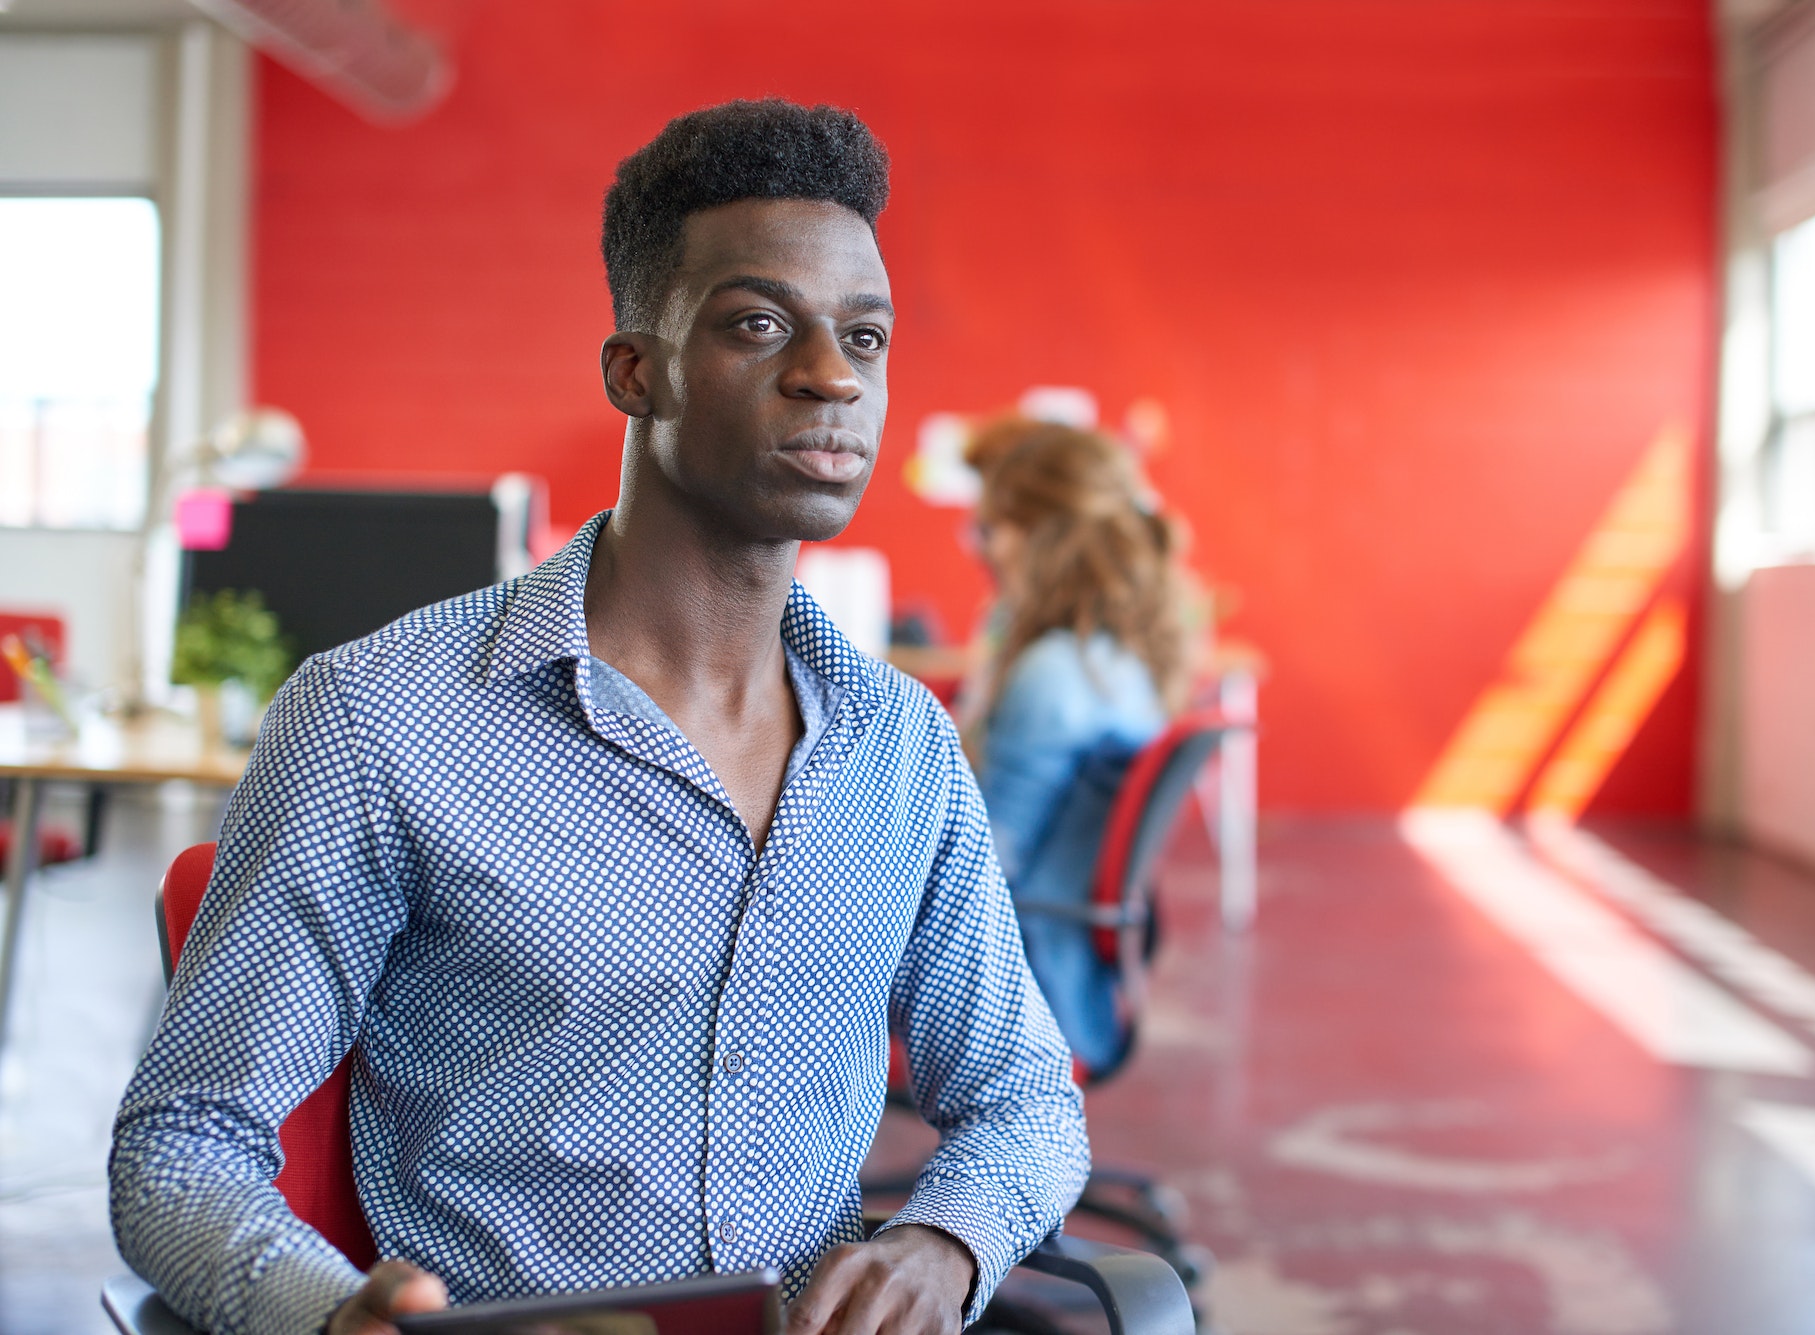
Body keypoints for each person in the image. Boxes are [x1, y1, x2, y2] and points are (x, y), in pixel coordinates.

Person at [109, 100, 1087, 1335]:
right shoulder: (380, 723)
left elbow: (1024, 1099)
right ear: (636, 369)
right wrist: (334, 1316)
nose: (831, 375)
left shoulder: (899, 746)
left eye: (865, 336)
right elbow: (182, 1149)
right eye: (757, 323)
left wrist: (944, 1241)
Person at [961, 421, 1187, 1076]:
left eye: (993, 528)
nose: (983, 549)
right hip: (1067, 973)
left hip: (1015, 989)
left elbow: (984, 865)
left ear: (1043, 536)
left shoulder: (1054, 674)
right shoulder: (1111, 663)